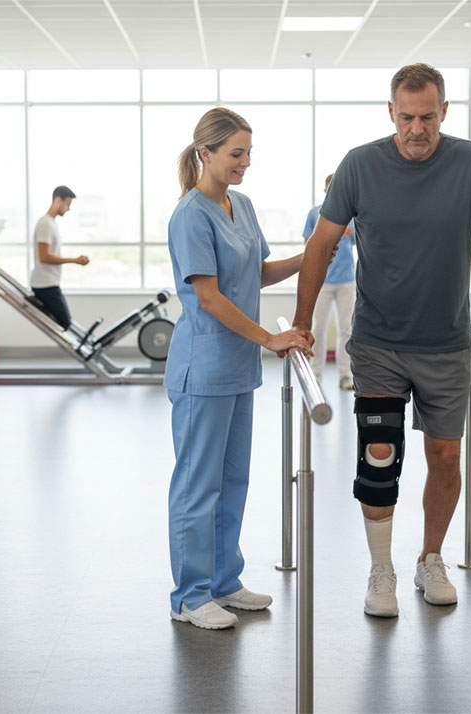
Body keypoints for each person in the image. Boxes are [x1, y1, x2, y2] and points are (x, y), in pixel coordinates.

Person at [293, 63, 471, 618]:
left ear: (444, 112)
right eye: (406, 117)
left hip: (447, 343)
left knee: (446, 456)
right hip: (378, 341)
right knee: (379, 455)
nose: (417, 128)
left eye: (428, 116)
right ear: (391, 114)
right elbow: (320, 246)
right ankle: (380, 568)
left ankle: (431, 557)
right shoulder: (359, 165)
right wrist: (303, 323)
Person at [166, 107, 313, 630]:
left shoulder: (242, 205)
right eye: (235, 154)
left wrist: (309, 254)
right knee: (197, 485)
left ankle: (224, 582)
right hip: (203, 367)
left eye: (249, 153)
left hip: (238, 367)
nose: (245, 163)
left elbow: (257, 272)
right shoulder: (190, 215)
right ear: (205, 153)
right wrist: (271, 337)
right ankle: (189, 595)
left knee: (233, 481)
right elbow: (208, 297)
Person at [304, 173, 356, 390]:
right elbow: (308, 247)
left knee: (347, 329)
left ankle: (345, 374)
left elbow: (357, 243)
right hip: (322, 282)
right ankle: (315, 374)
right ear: (325, 190)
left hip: (347, 281)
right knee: (319, 328)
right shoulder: (315, 214)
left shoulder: (353, 215)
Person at [29, 185, 88, 330]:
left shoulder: (51, 223)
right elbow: (44, 257)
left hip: (50, 282)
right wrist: (75, 260)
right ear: (57, 200)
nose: (68, 209)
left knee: (66, 322)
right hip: (45, 285)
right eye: (67, 204)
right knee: (65, 322)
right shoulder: (45, 224)